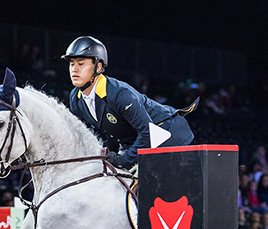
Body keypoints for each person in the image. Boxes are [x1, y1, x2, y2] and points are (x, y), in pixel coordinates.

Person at [63, 36, 195, 169]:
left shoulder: (120, 94)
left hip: (166, 132)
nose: (74, 69)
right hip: (138, 140)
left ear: (98, 67)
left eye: (80, 64)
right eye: (71, 64)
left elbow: (147, 132)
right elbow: (110, 131)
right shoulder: (76, 99)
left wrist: (124, 160)